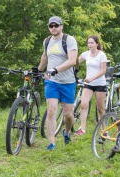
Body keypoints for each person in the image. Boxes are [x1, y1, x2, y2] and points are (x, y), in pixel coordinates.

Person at [38, 16, 78, 150]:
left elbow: (72, 60)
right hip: (52, 82)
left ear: (61, 26)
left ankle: (66, 133)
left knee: (68, 115)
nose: (53, 28)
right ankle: (52, 143)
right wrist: (38, 70)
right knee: (51, 111)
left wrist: (56, 69)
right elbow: (45, 57)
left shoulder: (69, 40)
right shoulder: (47, 41)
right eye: (51, 26)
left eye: (56, 25)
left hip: (68, 82)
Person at [75, 35, 107, 136]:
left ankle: (104, 130)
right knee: (83, 105)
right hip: (88, 84)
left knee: (100, 109)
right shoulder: (86, 54)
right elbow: (75, 61)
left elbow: (103, 70)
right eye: (88, 43)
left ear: (97, 44)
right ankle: (82, 129)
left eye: (92, 43)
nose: (90, 45)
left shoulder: (101, 55)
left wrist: (92, 78)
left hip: (100, 84)